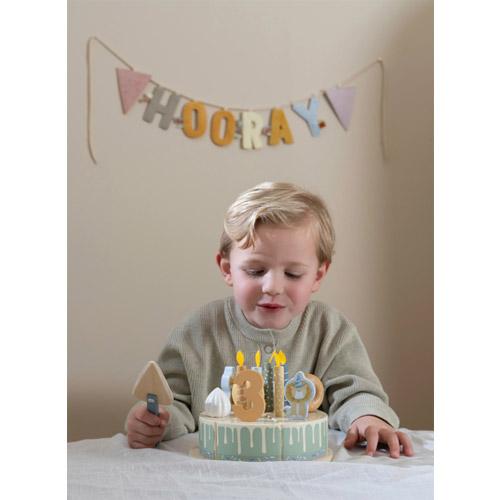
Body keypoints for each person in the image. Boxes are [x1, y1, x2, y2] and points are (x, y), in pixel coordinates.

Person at [126, 181, 414, 458]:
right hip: (218, 474)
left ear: (318, 275)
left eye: (293, 274)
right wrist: (155, 422)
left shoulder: (330, 330)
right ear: (227, 269)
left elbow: (356, 393)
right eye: (255, 271)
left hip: (309, 477)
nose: (273, 287)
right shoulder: (197, 331)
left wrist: (368, 418)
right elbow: (172, 401)